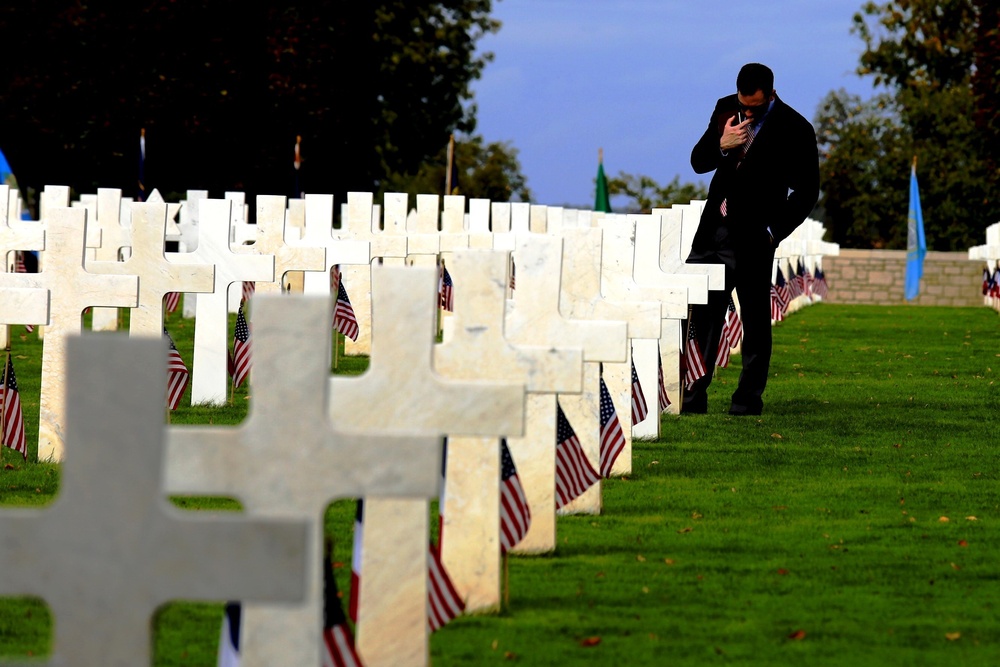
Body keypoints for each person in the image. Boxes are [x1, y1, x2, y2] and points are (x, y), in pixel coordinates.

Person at [682, 63, 819, 416]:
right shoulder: (725, 108)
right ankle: (692, 397)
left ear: (771, 94)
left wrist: (773, 232)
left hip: (756, 238)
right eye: (744, 105)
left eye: (755, 108)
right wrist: (721, 144)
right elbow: (698, 162)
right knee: (702, 319)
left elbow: (807, 192)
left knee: (756, 321)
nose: (747, 113)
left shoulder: (796, 128)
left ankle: (746, 400)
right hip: (714, 232)